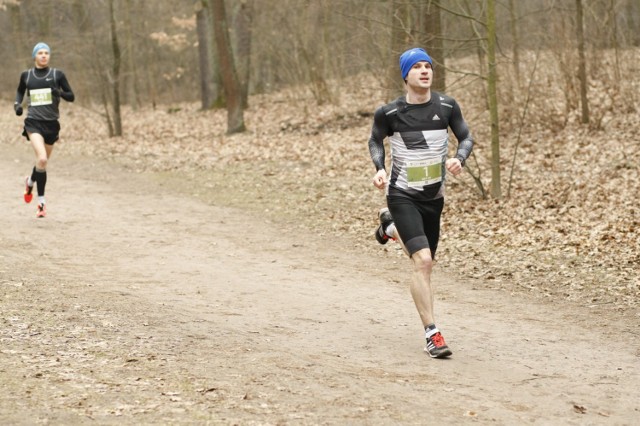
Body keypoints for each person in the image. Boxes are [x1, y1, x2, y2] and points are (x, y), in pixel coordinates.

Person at [367, 47, 474, 358]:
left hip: (433, 199)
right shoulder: (389, 113)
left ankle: (389, 227)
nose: (425, 71)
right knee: (423, 262)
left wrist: (460, 158)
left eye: (428, 66)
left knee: (425, 264)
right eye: (417, 67)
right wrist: (379, 169)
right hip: (402, 194)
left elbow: (466, 136)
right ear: (406, 75)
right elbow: (375, 139)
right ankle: (432, 333)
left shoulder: (447, 106)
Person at [14, 42, 75, 218]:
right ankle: (41, 203)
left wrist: (59, 93)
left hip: (51, 125)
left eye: (46, 53)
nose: (43, 55)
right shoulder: (27, 75)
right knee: (41, 158)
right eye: (40, 53)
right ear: (35, 56)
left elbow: (71, 96)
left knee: (42, 162)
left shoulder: (57, 75)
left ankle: (30, 181)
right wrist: (17, 105)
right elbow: (19, 92)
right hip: (33, 123)